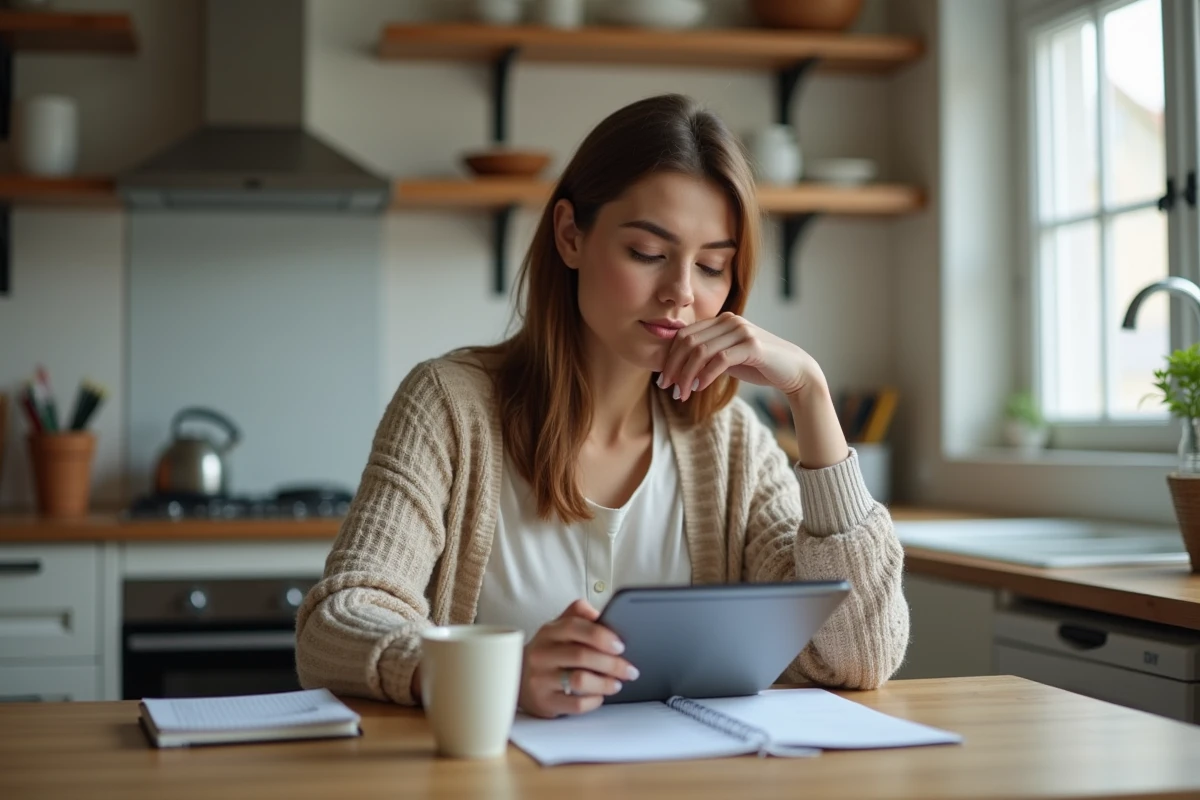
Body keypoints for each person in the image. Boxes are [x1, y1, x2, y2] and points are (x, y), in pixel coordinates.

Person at [295, 93, 909, 719]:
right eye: (647, 253)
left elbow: (858, 656)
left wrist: (810, 392)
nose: (681, 294)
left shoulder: (731, 443)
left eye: (713, 266)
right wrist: (494, 675)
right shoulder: (449, 409)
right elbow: (335, 625)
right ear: (570, 236)